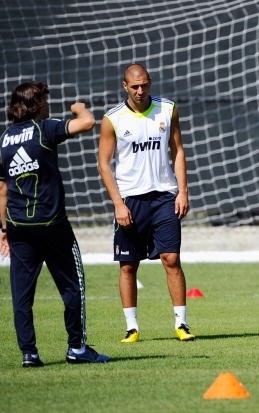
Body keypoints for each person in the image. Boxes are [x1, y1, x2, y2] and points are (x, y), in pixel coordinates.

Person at [0, 81, 110, 366]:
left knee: (22, 295)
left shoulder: (3, 139)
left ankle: (29, 353)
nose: (49, 105)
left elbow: (1, 191)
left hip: (18, 227)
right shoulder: (43, 129)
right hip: (52, 225)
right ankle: (77, 347)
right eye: (45, 101)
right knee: (74, 286)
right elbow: (86, 123)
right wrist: (79, 108)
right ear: (36, 104)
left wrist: (2, 230)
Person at [98, 63, 195, 343]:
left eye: (145, 85)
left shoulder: (167, 109)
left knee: (172, 259)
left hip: (164, 196)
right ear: (125, 86)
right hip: (130, 200)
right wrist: (118, 203)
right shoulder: (113, 119)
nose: (141, 91)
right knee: (128, 265)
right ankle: (132, 327)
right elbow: (104, 164)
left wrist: (182, 191)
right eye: (135, 86)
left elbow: (178, 150)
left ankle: (182, 324)